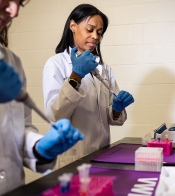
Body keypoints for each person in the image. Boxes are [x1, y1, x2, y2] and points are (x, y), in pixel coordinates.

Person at [0, 0, 84, 196]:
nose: (14, 11)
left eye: (20, 2)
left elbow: (17, 129)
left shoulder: (11, 61)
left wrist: (38, 147)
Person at [43, 4, 135, 168]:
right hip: (73, 158)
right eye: (90, 29)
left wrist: (116, 109)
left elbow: (114, 120)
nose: (95, 37)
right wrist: (76, 75)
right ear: (73, 25)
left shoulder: (104, 69)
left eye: (99, 33)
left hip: (104, 154)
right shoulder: (56, 64)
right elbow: (54, 115)